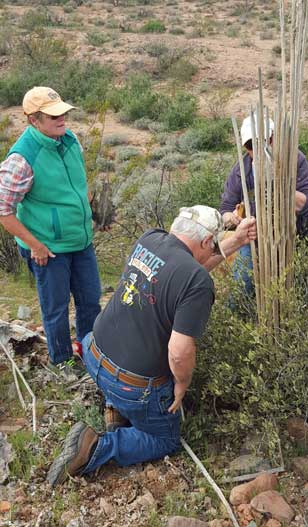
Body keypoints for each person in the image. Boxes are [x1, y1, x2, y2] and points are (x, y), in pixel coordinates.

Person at [46, 205, 257, 487]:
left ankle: (115, 408)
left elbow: (190, 269)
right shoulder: (198, 283)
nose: (215, 250)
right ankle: (96, 447)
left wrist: (238, 240)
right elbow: (179, 352)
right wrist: (181, 384)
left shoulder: (150, 239)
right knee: (164, 439)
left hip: (94, 355)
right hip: (131, 384)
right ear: (207, 242)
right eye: (214, 245)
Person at [0, 87, 101, 371]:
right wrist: (35, 245)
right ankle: (63, 362)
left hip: (80, 241)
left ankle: (90, 354)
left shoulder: (70, 139)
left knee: (90, 300)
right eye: (53, 115)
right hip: (48, 249)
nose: (62, 118)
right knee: (56, 310)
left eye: (63, 112)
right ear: (34, 120)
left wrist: (88, 211)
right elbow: (3, 211)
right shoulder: (22, 159)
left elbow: (77, 184)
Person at [220, 115, 308, 292]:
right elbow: (226, 211)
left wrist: (280, 183)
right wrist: (234, 218)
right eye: (251, 145)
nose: (258, 149)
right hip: (255, 241)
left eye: (264, 141)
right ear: (245, 147)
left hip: (295, 238)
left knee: (302, 291)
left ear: (273, 137)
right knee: (240, 292)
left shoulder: (294, 160)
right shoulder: (241, 171)